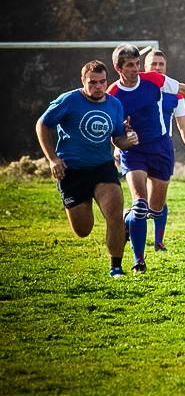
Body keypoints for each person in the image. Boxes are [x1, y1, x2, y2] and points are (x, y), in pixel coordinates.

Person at [107, 43, 185, 274]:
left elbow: (184, 89)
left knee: (155, 207)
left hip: (161, 148)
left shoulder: (153, 80)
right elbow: (112, 131)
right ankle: (138, 260)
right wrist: (122, 138)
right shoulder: (112, 94)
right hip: (133, 153)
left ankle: (128, 220)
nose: (135, 69)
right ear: (118, 68)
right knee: (140, 204)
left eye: (136, 64)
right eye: (129, 65)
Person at [35, 60, 139, 278]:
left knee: (114, 213)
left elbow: (118, 139)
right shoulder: (69, 101)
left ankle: (116, 267)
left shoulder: (114, 104)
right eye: (93, 82)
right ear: (83, 81)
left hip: (102, 168)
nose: (98, 87)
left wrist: (128, 140)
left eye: (102, 82)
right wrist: (53, 159)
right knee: (83, 230)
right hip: (71, 171)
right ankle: (116, 227)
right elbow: (42, 124)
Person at [143, 50, 185, 251]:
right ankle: (132, 227)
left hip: (163, 149)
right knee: (140, 198)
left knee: (158, 199)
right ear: (144, 67)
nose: (157, 68)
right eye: (153, 64)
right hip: (137, 149)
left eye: (161, 64)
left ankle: (158, 241)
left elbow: (183, 125)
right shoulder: (135, 88)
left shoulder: (174, 92)